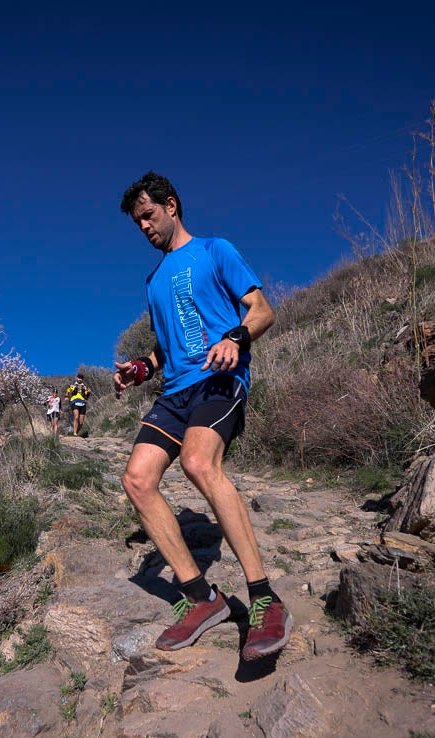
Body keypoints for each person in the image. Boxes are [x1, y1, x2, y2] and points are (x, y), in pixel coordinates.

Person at [114, 171, 292, 661]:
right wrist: (142, 367)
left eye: (148, 216)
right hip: (174, 391)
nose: (144, 227)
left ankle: (264, 600)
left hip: (219, 379)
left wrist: (237, 337)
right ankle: (201, 599)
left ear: (171, 206)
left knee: (199, 463)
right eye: (137, 223)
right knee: (136, 480)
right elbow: (165, 347)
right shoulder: (153, 282)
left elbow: (261, 310)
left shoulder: (216, 250)